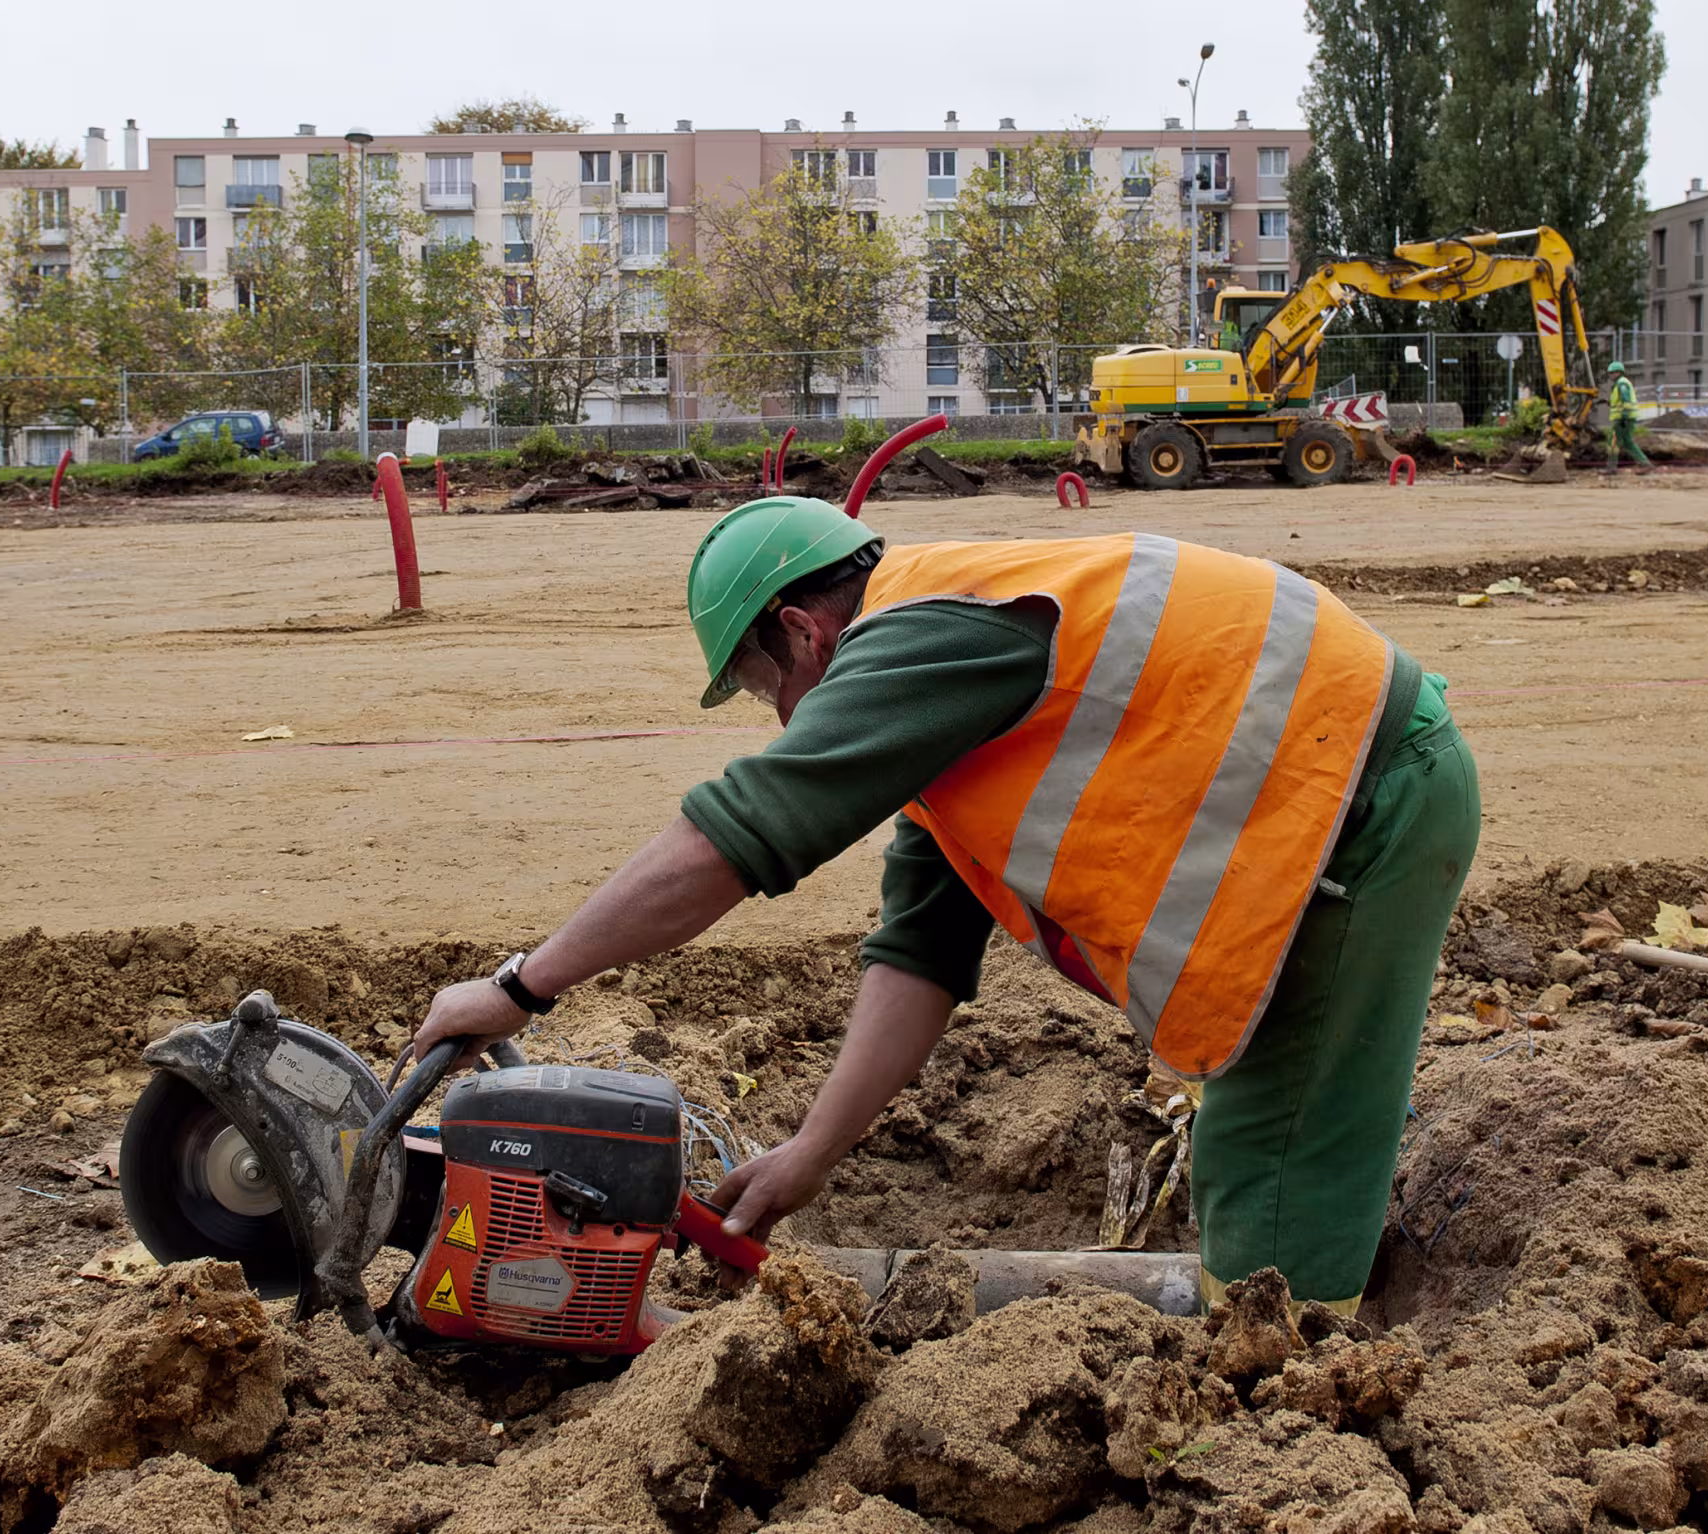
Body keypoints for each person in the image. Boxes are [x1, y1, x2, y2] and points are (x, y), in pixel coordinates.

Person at [415, 500, 1480, 1314]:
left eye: (759, 690)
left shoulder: (921, 635)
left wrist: (522, 984)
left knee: (1275, 1199)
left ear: (803, 634)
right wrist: (810, 1153)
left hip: (1364, 801)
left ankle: (1308, 1399)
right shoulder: (949, 706)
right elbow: (919, 950)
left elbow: (738, 834)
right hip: (1338, 796)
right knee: (1273, 1141)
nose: (780, 719)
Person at [1604, 360, 1653, 472]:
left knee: (1613, 441)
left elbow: (1626, 401)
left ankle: (1611, 468)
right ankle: (1645, 464)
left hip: (1623, 418)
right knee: (1628, 442)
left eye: (1612, 373)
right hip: (1627, 418)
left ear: (1618, 372)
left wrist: (1624, 417)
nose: (1610, 375)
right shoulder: (1621, 384)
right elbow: (1620, 401)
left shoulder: (1622, 384)